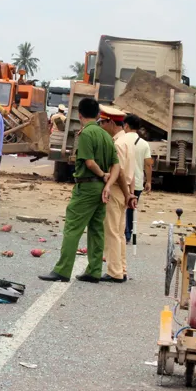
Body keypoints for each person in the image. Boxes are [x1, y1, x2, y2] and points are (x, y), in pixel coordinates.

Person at [40, 97, 118, 283]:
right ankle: (94, 271)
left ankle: (62, 270)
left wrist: (101, 174)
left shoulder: (86, 134)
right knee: (96, 230)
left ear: (79, 114)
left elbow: (89, 162)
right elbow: (116, 165)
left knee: (73, 228)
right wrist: (107, 184)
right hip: (101, 188)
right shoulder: (106, 136)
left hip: (87, 186)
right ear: (98, 115)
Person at [97, 106, 139, 283]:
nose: (101, 126)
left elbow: (119, 171)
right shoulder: (128, 141)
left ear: (111, 123)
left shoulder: (118, 144)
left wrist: (126, 193)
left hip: (117, 189)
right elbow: (132, 172)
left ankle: (114, 272)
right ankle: (121, 269)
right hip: (125, 189)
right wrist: (130, 193)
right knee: (120, 232)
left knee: (112, 232)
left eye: (103, 122)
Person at [123, 114, 152, 243]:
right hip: (138, 182)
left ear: (126, 126)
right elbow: (148, 164)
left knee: (119, 206)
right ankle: (128, 233)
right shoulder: (145, 144)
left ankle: (121, 231)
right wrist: (149, 181)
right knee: (131, 207)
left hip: (121, 181)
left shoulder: (120, 140)